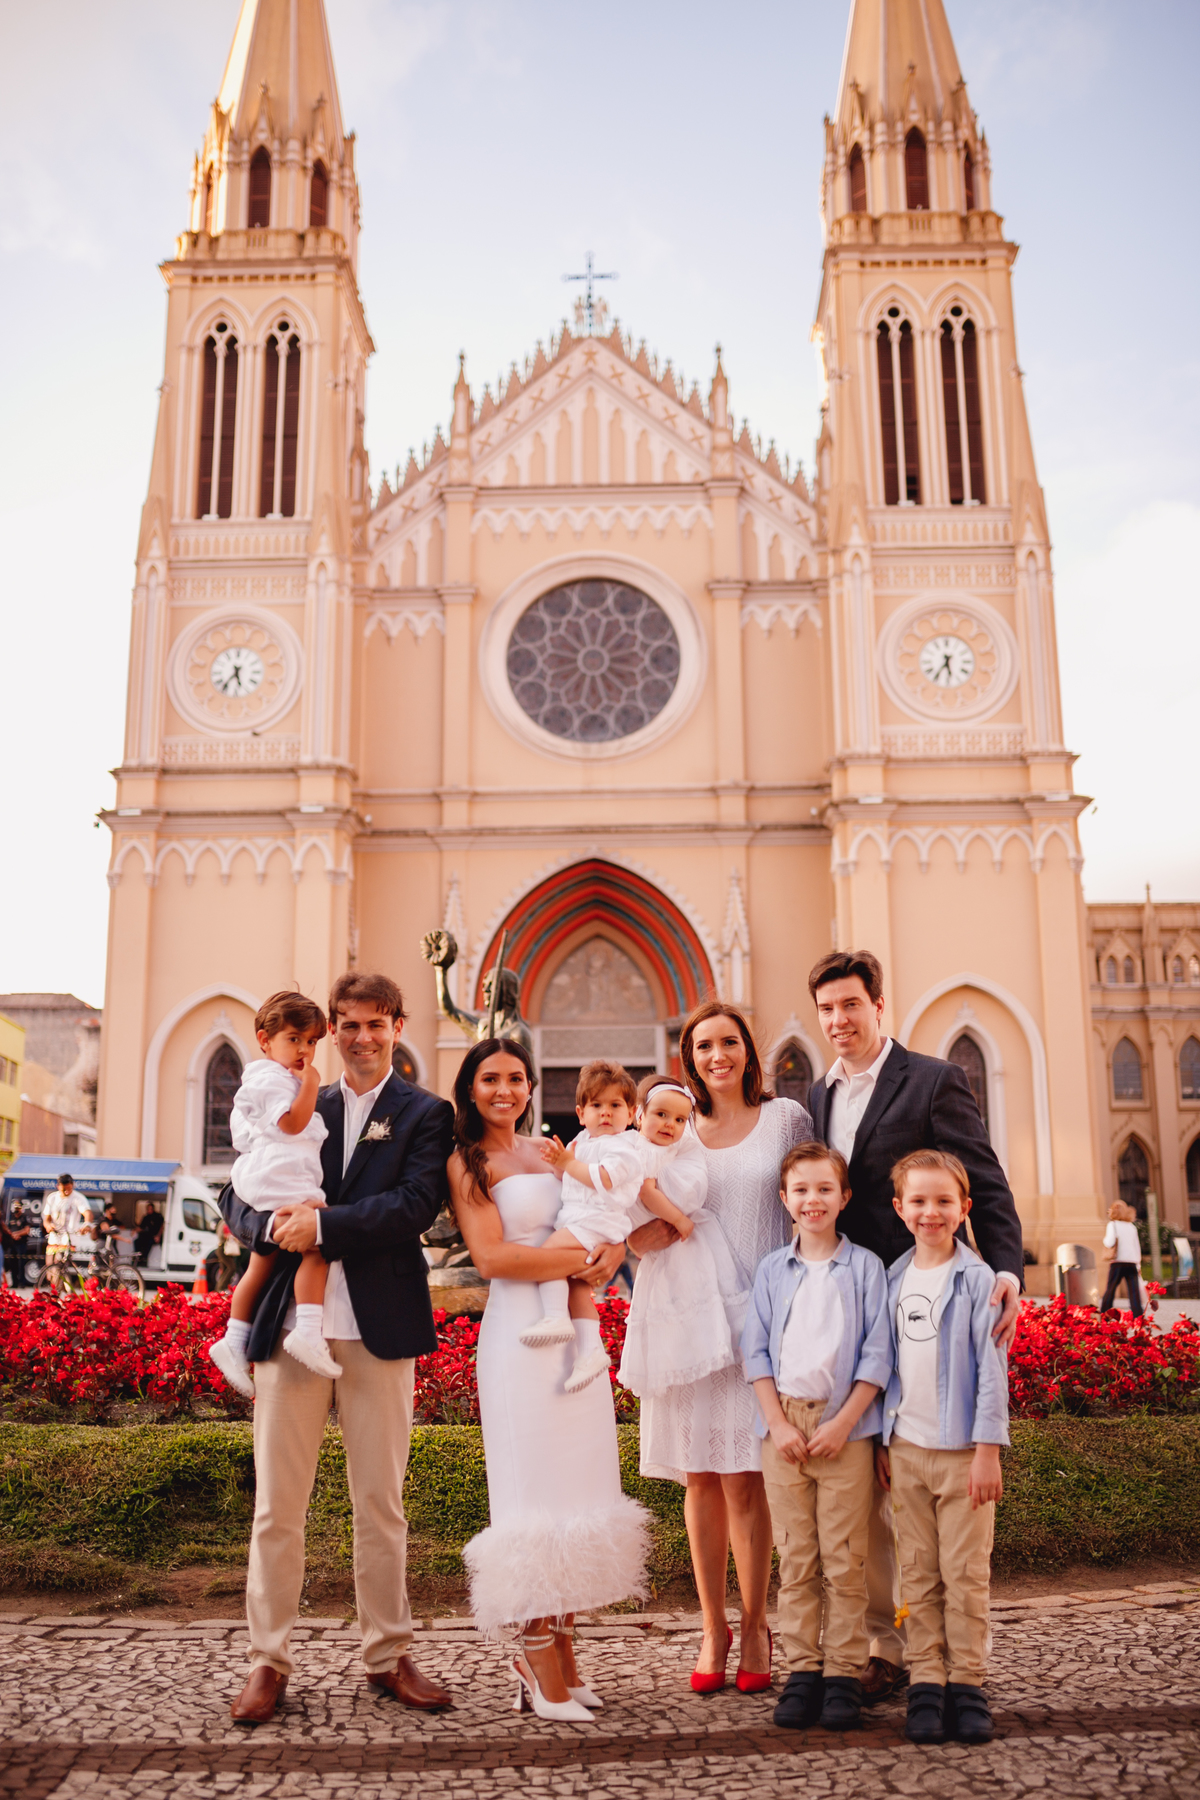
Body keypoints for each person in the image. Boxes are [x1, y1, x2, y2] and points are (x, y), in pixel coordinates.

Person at [219, 971, 454, 1726]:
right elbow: (238, 1191)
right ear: (329, 1031)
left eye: (374, 1024)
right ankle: (268, 1660)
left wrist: (321, 1228)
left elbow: (415, 1204)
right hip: (294, 1327)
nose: (359, 1037)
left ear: (397, 1026)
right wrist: (270, 1230)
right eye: (345, 1025)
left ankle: (388, 1655)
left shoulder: (425, 1112)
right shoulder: (298, 1094)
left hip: (379, 1327)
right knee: (277, 1508)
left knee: (381, 1506)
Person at [805, 948, 1023, 1704]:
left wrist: (1004, 1270)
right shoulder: (817, 1092)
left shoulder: (933, 1079)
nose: (838, 1021)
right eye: (827, 1008)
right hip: (844, 1305)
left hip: (917, 1301)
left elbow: (982, 1177)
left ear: (876, 1004)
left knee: (917, 1477)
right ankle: (884, 1645)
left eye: (851, 1005)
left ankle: (947, 1666)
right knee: (863, 1485)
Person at [448, 1038, 649, 1722]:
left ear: (532, 1086)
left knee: (577, 1486)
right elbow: (492, 1256)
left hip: (574, 1340)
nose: (504, 1089)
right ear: (470, 1089)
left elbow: (610, 1210)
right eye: (490, 1079)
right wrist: (575, 1255)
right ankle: (534, 1655)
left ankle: (565, 1650)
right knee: (532, 1494)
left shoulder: (555, 1149)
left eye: (514, 1078)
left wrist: (613, 1248)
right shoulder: (468, 1160)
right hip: (519, 1337)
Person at [630, 999, 812, 1695]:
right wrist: (628, 1239)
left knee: (746, 1479)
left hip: (762, 1318)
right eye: (703, 1045)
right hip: (689, 1319)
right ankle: (713, 1626)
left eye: (729, 1042)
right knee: (700, 1477)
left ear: (747, 1049)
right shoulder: (673, 1129)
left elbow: (813, 1197)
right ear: (689, 1057)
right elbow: (635, 1205)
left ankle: (758, 1622)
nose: (717, 1056)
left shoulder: (787, 1119)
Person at [743, 1142, 892, 1732]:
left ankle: (843, 1674)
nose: (813, 1200)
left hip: (844, 1432)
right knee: (797, 1559)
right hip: (784, 1431)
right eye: (801, 1190)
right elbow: (754, 1350)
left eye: (824, 1189)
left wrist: (845, 1422)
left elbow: (878, 1354)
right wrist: (777, 1423)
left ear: (844, 1197)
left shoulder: (865, 1269)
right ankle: (803, 1672)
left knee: (845, 1560)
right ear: (785, 1199)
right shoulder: (772, 1271)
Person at [878, 1150, 1009, 1746]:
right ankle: (926, 1682)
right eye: (920, 1201)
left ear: (964, 1209)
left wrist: (987, 1451)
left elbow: (990, 1372)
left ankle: (968, 1685)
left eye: (943, 1202)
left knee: (965, 1573)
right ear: (901, 1208)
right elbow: (883, 1368)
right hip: (905, 1450)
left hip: (961, 1454)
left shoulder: (977, 1279)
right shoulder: (894, 1276)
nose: (931, 1212)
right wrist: (883, 1440)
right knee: (918, 1575)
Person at [530, 1062, 694, 1391]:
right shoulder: (581, 1141)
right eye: (596, 1105)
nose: (606, 1113)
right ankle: (590, 1350)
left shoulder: (625, 1147)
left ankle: (555, 1317)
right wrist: (560, 1166)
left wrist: (569, 1164)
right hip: (579, 1219)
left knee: (546, 1256)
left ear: (632, 1113)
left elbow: (604, 1178)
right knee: (578, 1284)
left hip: (598, 1222)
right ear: (581, 1113)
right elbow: (566, 1177)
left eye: (615, 1105)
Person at [208, 992, 337, 1397]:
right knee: (318, 1241)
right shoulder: (271, 1079)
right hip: (280, 1176)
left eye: (312, 1042)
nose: (304, 1050)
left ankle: (232, 1341)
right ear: (265, 1040)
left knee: (261, 1263)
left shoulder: (276, 1078)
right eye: (294, 1039)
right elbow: (294, 1124)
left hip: (275, 1173)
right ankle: (308, 1331)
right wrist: (312, 1083)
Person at [617, 1074, 743, 1399]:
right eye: (660, 1114)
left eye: (678, 1119)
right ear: (638, 1115)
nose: (669, 1124)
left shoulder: (677, 1150)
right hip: (664, 1235)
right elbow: (647, 1193)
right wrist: (678, 1219)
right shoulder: (639, 1151)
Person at [1099, 1200, 1143, 1317]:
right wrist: (1138, 1264)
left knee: (1111, 1289)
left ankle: (1104, 1314)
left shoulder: (1112, 1225)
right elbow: (1136, 1247)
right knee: (1134, 1292)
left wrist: (1104, 1241)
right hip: (1132, 1262)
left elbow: (1109, 1242)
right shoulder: (1131, 1227)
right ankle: (1138, 1316)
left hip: (1118, 1263)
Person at [42, 1175, 83, 1289]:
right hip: (54, 1238)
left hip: (67, 1239)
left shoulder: (77, 1198)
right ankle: (60, 1289)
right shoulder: (52, 1198)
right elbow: (47, 1219)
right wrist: (48, 1225)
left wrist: (87, 1225)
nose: (67, 1191)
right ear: (58, 1186)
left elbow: (88, 1213)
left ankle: (61, 1290)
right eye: (64, 1189)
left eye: (69, 1189)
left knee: (60, 1263)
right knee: (51, 1267)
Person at [3, 1199, 31, 1288]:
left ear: (21, 1208)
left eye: (18, 1207)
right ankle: (14, 1283)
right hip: (12, 1243)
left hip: (21, 1244)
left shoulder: (24, 1217)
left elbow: (27, 1230)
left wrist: (17, 1234)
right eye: (15, 1207)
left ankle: (21, 1283)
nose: (16, 1209)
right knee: (12, 1263)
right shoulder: (11, 1217)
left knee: (21, 1263)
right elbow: (8, 1229)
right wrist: (12, 1235)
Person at [133, 1199, 164, 1266]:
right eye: (148, 1209)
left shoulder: (158, 1216)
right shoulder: (146, 1217)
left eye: (150, 1208)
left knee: (149, 1242)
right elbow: (141, 1227)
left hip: (155, 1236)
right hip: (147, 1235)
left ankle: (144, 1258)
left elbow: (162, 1226)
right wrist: (134, 1230)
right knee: (137, 1241)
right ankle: (138, 1257)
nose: (149, 1210)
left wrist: (158, 1236)